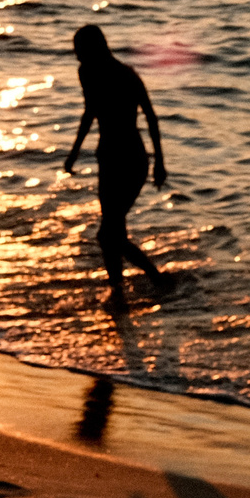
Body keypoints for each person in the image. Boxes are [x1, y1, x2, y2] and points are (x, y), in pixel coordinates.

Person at [61, 23, 175, 311]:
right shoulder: (86, 72)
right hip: (107, 158)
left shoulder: (127, 76)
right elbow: (90, 112)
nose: (76, 57)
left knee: (107, 234)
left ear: (95, 48)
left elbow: (151, 117)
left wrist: (160, 162)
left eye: (80, 50)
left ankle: (157, 280)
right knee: (114, 233)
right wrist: (74, 153)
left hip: (133, 159)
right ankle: (119, 292)